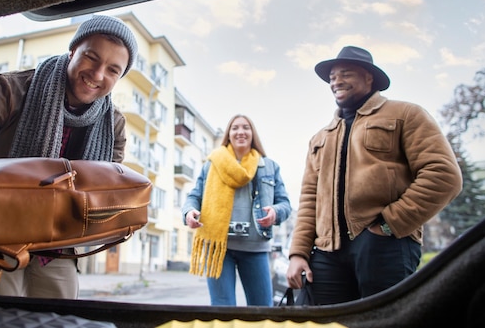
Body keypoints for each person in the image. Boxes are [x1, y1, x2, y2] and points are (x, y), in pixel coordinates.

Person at [0, 14, 138, 299]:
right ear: (73, 51)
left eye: (112, 70)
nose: (97, 74)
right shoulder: (7, 91)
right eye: (91, 58)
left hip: (59, 249)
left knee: (61, 320)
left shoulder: (114, 125)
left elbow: (104, 189)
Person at [286, 45, 462, 305]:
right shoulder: (320, 138)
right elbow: (310, 199)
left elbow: (444, 175)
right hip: (326, 252)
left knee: (384, 321)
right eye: (332, 77)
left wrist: (389, 224)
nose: (336, 81)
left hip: (386, 245)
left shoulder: (406, 114)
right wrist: (298, 253)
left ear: (369, 77)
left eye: (345, 73)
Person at [182, 114, 292, 306]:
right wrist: (189, 212)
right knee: (223, 310)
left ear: (252, 134)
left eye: (245, 127)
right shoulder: (212, 165)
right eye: (235, 128)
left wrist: (275, 212)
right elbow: (194, 197)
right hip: (218, 249)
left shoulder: (269, 166)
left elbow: (285, 204)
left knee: (262, 309)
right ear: (229, 134)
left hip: (255, 247)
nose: (240, 131)